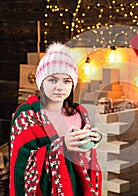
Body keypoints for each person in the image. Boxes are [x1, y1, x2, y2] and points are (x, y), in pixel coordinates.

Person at [10, 42, 102, 195]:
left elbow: (86, 160)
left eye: (66, 81)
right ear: (41, 82)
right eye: (53, 80)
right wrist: (62, 146)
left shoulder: (80, 113)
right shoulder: (27, 116)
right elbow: (22, 165)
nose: (60, 87)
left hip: (76, 188)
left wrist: (91, 142)